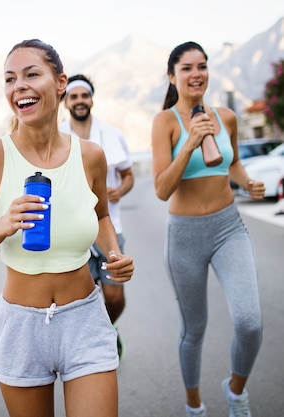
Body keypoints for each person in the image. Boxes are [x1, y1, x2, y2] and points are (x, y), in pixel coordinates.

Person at [0, 39, 134, 417]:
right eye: (9, 79)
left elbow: (102, 215)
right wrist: (3, 225)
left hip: (85, 319)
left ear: (60, 84)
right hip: (21, 328)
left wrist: (114, 255)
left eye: (31, 74)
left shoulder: (91, 157)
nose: (18, 85)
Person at [151, 41, 264, 417]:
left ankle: (236, 391)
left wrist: (247, 183)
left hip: (228, 227)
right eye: (186, 68)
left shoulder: (227, 117)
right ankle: (195, 405)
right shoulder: (164, 122)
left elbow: (231, 164)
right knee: (194, 329)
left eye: (202, 66)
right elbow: (162, 189)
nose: (196, 73)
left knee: (249, 322)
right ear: (173, 76)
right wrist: (190, 143)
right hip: (184, 236)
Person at [59, 74, 134, 359]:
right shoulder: (58, 137)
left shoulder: (112, 135)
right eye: (73, 96)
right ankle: (95, 344)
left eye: (84, 96)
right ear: (65, 101)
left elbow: (128, 176)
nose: (79, 101)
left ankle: (108, 326)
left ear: (91, 99)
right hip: (74, 234)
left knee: (115, 296)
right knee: (82, 298)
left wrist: (119, 191)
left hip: (109, 228)